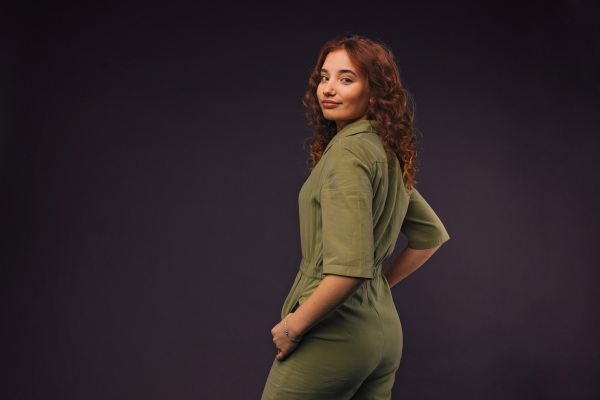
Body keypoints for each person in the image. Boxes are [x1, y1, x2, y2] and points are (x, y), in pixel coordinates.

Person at [261, 34, 450, 400]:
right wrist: (377, 287)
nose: (328, 89)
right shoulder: (383, 152)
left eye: (346, 79)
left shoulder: (348, 154)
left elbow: (349, 269)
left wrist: (293, 326)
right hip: (382, 336)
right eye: (324, 77)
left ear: (374, 92)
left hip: (335, 335)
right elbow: (431, 236)